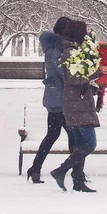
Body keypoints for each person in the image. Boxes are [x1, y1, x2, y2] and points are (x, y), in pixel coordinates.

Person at [50, 20, 107, 193]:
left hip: (78, 101)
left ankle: (78, 182)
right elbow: (74, 79)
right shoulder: (70, 52)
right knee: (89, 144)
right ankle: (61, 170)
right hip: (76, 103)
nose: (87, 33)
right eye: (84, 30)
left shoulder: (75, 50)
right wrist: (99, 72)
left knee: (79, 145)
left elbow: (79, 79)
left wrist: (95, 84)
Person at [26, 16, 75, 184]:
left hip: (54, 97)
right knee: (72, 135)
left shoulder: (53, 47)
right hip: (60, 99)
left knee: (53, 134)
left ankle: (35, 169)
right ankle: (74, 171)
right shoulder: (56, 49)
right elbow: (64, 73)